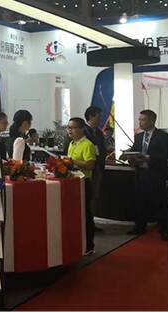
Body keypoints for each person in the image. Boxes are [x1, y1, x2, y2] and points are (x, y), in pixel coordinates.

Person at [126, 110, 168, 241]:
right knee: (139, 201)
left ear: (151, 121)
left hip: (156, 174)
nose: (140, 122)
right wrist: (131, 157)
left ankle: (165, 230)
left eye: (143, 120)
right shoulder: (139, 136)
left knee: (159, 202)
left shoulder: (163, 136)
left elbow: (166, 154)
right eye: (139, 119)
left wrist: (150, 158)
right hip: (141, 172)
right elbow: (135, 150)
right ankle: (140, 227)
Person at [66, 117, 97, 255]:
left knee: (86, 214)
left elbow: (90, 165)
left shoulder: (87, 144)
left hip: (84, 182)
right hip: (73, 183)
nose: (70, 130)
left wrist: (72, 161)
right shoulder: (71, 144)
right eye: (68, 128)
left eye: (73, 128)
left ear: (81, 129)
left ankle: (89, 245)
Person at [83, 106, 107, 233]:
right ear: (91, 117)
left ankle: (91, 222)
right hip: (85, 168)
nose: (100, 120)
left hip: (97, 168)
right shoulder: (82, 131)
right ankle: (84, 223)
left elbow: (102, 149)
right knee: (85, 196)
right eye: (98, 117)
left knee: (94, 195)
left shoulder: (99, 132)